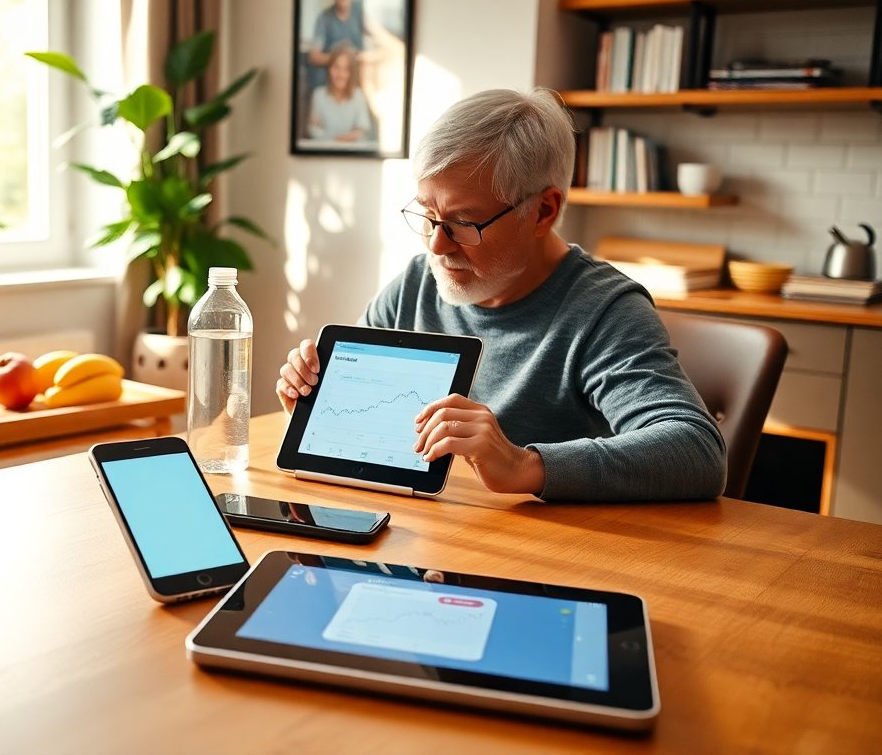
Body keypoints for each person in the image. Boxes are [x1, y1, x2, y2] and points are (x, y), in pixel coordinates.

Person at [276, 88, 726, 502]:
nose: (437, 245)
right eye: (428, 214)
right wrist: (319, 402)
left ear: (543, 211)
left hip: (541, 547)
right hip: (428, 528)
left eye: (463, 223)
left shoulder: (604, 311)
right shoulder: (416, 284)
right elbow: (371, 425)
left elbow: (697, 450)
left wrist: (523, 466)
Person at [306, 45, 372, 143]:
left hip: (352, 150)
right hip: (325, 149)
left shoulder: (358, 96)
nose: (340, 74)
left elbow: (362, 129)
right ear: (329, 69)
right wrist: (335, 140)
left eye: (346, 69)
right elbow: (314, 130)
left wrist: (347, 138)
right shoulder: (318, 95)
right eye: (336, 67)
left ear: (351, 73)